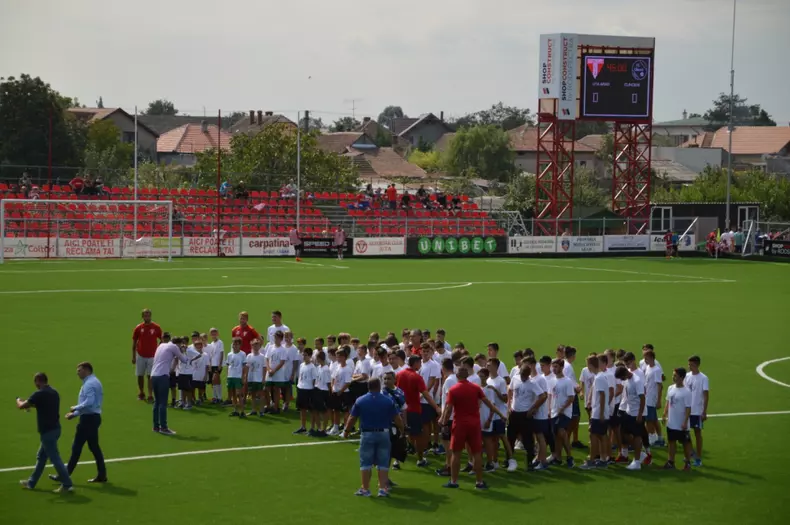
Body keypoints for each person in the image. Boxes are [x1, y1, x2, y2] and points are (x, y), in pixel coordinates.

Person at [441, 366, 506, 490]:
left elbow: (449, 409)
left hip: (459, 424)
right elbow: (488, 403)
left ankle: (454, 481)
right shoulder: (476, 388)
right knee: (477, 453)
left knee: (456, 453)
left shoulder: (453, 390)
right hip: (474, 425)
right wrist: (501, 415)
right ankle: (479, 482)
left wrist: (444, 422)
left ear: (457, 376)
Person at [344, 378, 405, 498]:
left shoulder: (360, 400)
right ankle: (382, 489)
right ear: (379, 386)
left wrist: (346, 431)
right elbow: (397, 418)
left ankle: (365, 489)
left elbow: (352, 418)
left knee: (365, 462)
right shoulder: (387, 401)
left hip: (367, 434)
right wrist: (402, 430)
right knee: (383, 462)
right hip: (383, 434)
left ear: (368, 386)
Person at [47, 362, 107, 484]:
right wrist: (74, 415)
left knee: (77, 447)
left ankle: (65, 475)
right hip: (93, 417)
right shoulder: (94, 381)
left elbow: (89, 402)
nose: (77, 373)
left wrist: (75, 408)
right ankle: (102, 475)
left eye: (79, 370)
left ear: (86, 370)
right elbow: (91, 405)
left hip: (88, 420)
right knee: (94, 448)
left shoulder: (89, 384)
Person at [16, 373, 73, 492]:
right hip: (56, 429)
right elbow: (43, 405)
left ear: (38, 381)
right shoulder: (54, 392)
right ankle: (31, 483)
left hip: (47, 432)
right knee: (41, 457)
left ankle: (67, 484)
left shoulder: (39, 394)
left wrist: (18, 400)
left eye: (35, 382)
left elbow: (22, 406)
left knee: (55, 458)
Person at [396, 355, 441, 467]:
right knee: (418, 436)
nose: (420, 365)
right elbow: (426, 394)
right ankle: (420, 459)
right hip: (414, 410)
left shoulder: (399, 374)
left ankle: (396, 461)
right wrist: (436, 407)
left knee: (401, 434)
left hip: (401, 410)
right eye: (419, 362)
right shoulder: (416, 377)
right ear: (415, 363)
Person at [151, 333, 189, 435]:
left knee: (157, 402)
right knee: (163, 403)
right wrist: (184, 351)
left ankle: (155, 426)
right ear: (178, 344)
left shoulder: (162, 345)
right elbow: (184, 360)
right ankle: (164, 427)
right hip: (163, 376)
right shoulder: (174, 347)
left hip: (153, 375)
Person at [615, 365, 647, 471]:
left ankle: (637, 462)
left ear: (625, 374)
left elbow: (642, 399)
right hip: (628, 412)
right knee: (624, 434)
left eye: (621, 378)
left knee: (637, 436)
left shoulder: (637, 381)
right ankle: (641, 453)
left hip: (636, 414)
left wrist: (639, 415)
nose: (621, 380)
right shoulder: (627, 379)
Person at [662, 368, 693, 470]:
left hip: (681, 423)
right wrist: (664, 414)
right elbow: (668, 402)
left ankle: (688, 462)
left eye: (675, 375)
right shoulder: (670, 388)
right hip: (672, 422)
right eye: (673, 375)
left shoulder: (687, 392)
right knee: (671, 442)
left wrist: (685, 422)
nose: (673, 377)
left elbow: (688, 408)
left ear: (682, 377)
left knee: (685, 443)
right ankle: (671, 462)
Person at [132, 308, 162, 402]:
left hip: (152, 356)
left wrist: (158, 350)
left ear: (151, 316)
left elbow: (162, 339)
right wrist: (133, 356)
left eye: (148, 315)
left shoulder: (156, 327)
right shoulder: (138, 328)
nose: (147, 316)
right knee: (140, 375)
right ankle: (141, 392)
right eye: (145, 315)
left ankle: (150, 394)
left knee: (150, 376)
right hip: (140, 355)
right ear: (142, 316)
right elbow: (134, 342)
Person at [684, 355, 709, 467]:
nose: (690, 367)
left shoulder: (703, 378)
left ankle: (698, 457)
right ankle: (690, 454)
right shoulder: (687, 376)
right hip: (687, 411)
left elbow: (706, 395)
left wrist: (704, 411)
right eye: (689, 364)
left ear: (698, 365)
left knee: (697, 434)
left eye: (692, 365)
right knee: (685, 434)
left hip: (697, 411)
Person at [294, 347, 318, 435]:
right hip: (301, 388)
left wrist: (313, 390)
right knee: (302, 409)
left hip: (309, 390)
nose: (304, 357)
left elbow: (314, 379)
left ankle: (312, 427)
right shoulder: (302, 365)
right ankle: (303, 427)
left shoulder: (312, 367)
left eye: (306, 355)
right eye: (303, 355)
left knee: (311, 410)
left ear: (310, 356)